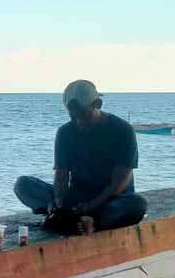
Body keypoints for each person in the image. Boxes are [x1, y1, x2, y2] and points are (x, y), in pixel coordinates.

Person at [14, 80, 148, 235]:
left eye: (82, 114)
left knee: (137, 204)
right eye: (73, 116)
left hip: (112, 200)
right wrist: (58, 201)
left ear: (97, 104)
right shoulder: (65, 132)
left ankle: (93, 221)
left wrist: (91, 206)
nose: (79, 121)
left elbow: (120, 182)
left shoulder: (123, 130)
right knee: (23, 184)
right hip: (77, 198)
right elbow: (61, 175)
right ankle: (64, 216)